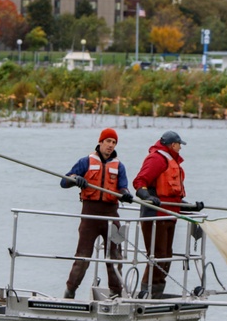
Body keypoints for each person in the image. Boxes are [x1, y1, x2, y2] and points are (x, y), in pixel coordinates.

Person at [60, 128, 134, 299]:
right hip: (90, 215)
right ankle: (70, 292)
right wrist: (75, 179)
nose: (110, 145)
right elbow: (63, 182)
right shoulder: (85, 161)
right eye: (108, 141)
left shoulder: (119, 166)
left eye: (114, 142)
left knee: (116, 256)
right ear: (100, 142)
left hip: (112, 215)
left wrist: (126, 193)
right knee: (83, 256)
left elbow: (123, 186)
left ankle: (116, 293)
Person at [132, 131, 204, 299]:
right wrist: (147, 197)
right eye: (180, 145)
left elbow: (173, 198)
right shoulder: (157, 159)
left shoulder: (172, 162)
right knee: (157, 256)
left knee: (166, 256)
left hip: (169, 216)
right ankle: (146, 292)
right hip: (155, 216)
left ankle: (157, 291)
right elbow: (139, 182)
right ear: (173, 145)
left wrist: (193, 207)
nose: (181, 148)